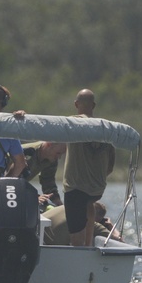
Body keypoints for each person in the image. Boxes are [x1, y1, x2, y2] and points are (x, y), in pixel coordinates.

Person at [62, 88, 115, 246]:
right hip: (97, 189)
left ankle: (79, 252)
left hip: (75, 188)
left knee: (75, 229)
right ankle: (88, 245)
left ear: (76, 104)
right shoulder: (106, 129)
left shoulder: (72, 123)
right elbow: (110, 166)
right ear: (94, 105)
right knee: (88, 204)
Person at [42, 201, 118, 245]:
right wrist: (111, 226)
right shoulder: (90, 222)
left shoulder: (64, 207)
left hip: (36, 240)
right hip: (50, 250)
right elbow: (119, 240)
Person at [22, 140, 66, 209]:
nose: (59, 157)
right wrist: (34, 198)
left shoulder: (52, 158)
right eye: (58, 153)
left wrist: (55, 199)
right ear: (49, 144)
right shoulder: (28, 152)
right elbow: (14, 181)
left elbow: (48, 179)